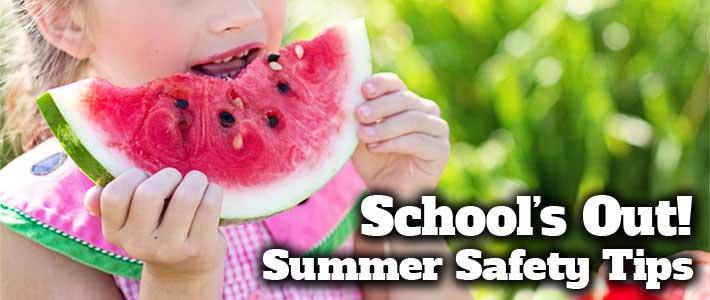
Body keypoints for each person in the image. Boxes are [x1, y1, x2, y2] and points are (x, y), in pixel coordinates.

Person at [0, 0, 471, 299]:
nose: (242, 13)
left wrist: (401, 200)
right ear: (63, 17)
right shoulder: (31, 238)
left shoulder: (336, 162)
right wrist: (179, 280)